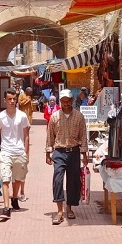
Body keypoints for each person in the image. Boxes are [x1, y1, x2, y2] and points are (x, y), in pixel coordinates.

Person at [45, 89, 88, 225]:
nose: (66, 104)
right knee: (57, 180)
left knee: (73, 181)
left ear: (72, 101)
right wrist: (48, 152)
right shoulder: (54, 117)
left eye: (68, 101)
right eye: (63, 101)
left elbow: (83, 137)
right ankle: (59, 211)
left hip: (74, 152)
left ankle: (69, 208)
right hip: (59, 152)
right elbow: (50, 136)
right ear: (60, 102)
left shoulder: (79, 117)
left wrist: (84, 154)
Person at [0, 89, 30, 220]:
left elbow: (26, 135)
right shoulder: (0, 117)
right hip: (6, 152)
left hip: (19, 151)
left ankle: (15, 198)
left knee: (18, 179)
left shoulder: (22, 116)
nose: (12, 101)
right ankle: (6, 207)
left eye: (14, 99)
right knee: (5, 179)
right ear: (5, 100)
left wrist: (26, 153)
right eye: (9, 99)